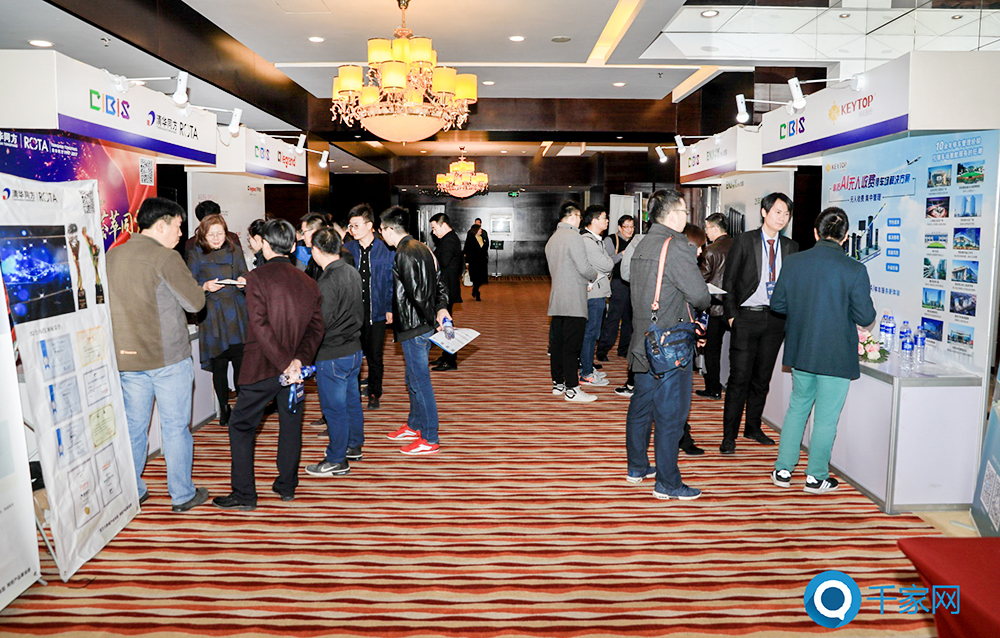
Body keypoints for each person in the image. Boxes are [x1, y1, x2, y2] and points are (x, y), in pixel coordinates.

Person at [213, 219, 324, 510]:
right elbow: (316, 329)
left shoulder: (256, 278)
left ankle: (245, 495)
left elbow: (260, 328)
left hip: (262, 367)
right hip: (295, 370)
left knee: (240, 426)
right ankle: (287, 486)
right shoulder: (308, 282)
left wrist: (285, 363)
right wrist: (297, 361)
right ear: (293, 246)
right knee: (290, 426)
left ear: (264, 244)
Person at [107, 197, 208, 512]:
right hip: (167, 360)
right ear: (161, 224)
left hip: (127, 359)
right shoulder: (165, 258)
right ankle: (182, 495)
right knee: (175, 428)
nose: (180, 234)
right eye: (177, 226)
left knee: (134, 428)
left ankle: (133, 490)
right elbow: (195, 303)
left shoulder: (112, 256)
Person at [770, 207, 876, 494]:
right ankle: (815, 477)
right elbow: (865, 316)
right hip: (835, 355)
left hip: (801, 351)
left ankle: (782, 470)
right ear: (845, 237)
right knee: (826, 418)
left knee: (797, 409)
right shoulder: (854, 269)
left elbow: (777, 304)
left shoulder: (794, 262)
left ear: (816, 232)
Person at [625, 189, 710, 500]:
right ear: (673, 215)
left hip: (642, 338)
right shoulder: (676, 246)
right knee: (671, 413)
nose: (687, 216)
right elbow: (700, 296)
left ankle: (637, 467)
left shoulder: (643, 243)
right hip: (669, 344)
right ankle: (668, 483)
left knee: (641, 406)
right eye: (685, 211)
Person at [720, 192, 799, 454]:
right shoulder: (745, 241)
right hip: (746, 317)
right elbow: (729, 281)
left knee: (762, 379)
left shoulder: (791, 247)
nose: (782, 218)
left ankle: (752, 427)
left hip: (775, 320)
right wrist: (732, 316)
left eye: (786, 213)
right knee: (739, 378)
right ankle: (729, 436)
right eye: (777, 212)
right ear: (764, 212)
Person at [379, 206, 451, 455]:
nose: (381, 235)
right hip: (421, 324)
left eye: (381, 230)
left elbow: (417, 295)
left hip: (415, 326)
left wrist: (433, 320)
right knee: (412, 378)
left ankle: (430, 437)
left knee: (420, 382)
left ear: (389, 229)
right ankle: (414, 424)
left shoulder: (404, 253)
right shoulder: (423, 247)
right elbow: (440, 283)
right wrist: (440, 309)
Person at [304, 228, 365, 476]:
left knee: (334, 408)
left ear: (316, 250)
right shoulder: (352, 271)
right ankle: (354, 446)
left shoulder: (326, 282)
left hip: (332, 353)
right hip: (354, 349)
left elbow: (320, 324)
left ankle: (337, 459)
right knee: (351, 402)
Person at [186, 214, 249, 428]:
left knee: (241, 362)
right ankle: (224, 407)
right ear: (203, 235)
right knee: (219, 365)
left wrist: (243, 281)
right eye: (211, 234)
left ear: (226, 233)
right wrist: (205, 287)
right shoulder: (195, 254)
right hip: (212, 313)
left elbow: (244, 272)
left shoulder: (235, 250)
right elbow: (190, 284)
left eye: (220, 233)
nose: (216, 238)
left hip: (236, 312)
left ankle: (242, 407)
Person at [545, 200, 598, 403]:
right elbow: (583, 267)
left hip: (557, 298)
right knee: (572, 346)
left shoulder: (553, 238)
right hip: (574, 299)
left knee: (557, 345)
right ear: (573, 216)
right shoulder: (574, 236)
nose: (580, 221)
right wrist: (594, 275)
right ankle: (572, 389)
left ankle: (558, 383)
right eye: (579, 217)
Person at [345, 204, 394, 410]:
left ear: (369, 225)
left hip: (377, 311)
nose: (352, 230)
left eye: (356, 225)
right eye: (350, 226)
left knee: (375, 356)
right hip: (352, 313)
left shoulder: (386, 250)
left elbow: (391, 282)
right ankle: (353, 393)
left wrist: (390, 307)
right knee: (354, 357)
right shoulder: (348, 249)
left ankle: (374, 392)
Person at [696, 213, 733, 400]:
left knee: (712, 349)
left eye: (707, 228)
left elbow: (701, 279)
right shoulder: (738, 246)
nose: (706, 233)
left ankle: (713, 388)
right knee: (736, 350)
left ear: (715, 228)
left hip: (715, 307)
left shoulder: (710, 250)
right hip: (734, 307)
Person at [579, 205, 613, 387]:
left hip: (598, 291)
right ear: (593, 220)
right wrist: (606, 266)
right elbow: (608, 265)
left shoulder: (597, 240)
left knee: (593, 333)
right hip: (593, 295)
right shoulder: (587, 241)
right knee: (590, 334)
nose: (607, 221)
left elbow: (606, 263)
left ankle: (588, 368)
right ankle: (586, 373)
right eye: (604, 217)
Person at [596, 214, 635, 362]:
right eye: (626, 227)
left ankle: (624, 349)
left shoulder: (636, 241)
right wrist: (622, 254)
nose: (630, 230)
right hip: (618, 282)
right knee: (614, 317)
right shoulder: (611, 240)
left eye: (632, 227)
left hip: (632, 283)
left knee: (629, 318)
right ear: (619, 227)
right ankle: (602, 349)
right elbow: (607, 261)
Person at [430, 213, 463, 371]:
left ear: (443, 225)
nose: (433, 232)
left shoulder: (449, 240)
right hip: (446, 288)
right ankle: (446, 356)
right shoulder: (447, 239)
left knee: (447, 324)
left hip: (447, 289)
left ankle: (450, 360)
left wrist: (430, 255)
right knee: (445, 323)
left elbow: (443, 262)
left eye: (434, 228)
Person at [297, 212, 328, 278]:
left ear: (314, 232)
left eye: (304, 232)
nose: (302, 237)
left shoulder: (327, 256)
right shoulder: (313, 258)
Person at [464, 223, 489, 301]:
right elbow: (467, 251)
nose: (481, 230)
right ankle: (477, 292)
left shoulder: (483, 238)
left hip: (482, 261)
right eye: (479, 229)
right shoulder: (470, 239)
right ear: (475, 230)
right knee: (475, 278)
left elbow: (485, 248)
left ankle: (475, 289)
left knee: (481, 278)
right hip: (474, 262)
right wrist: (467, 262)